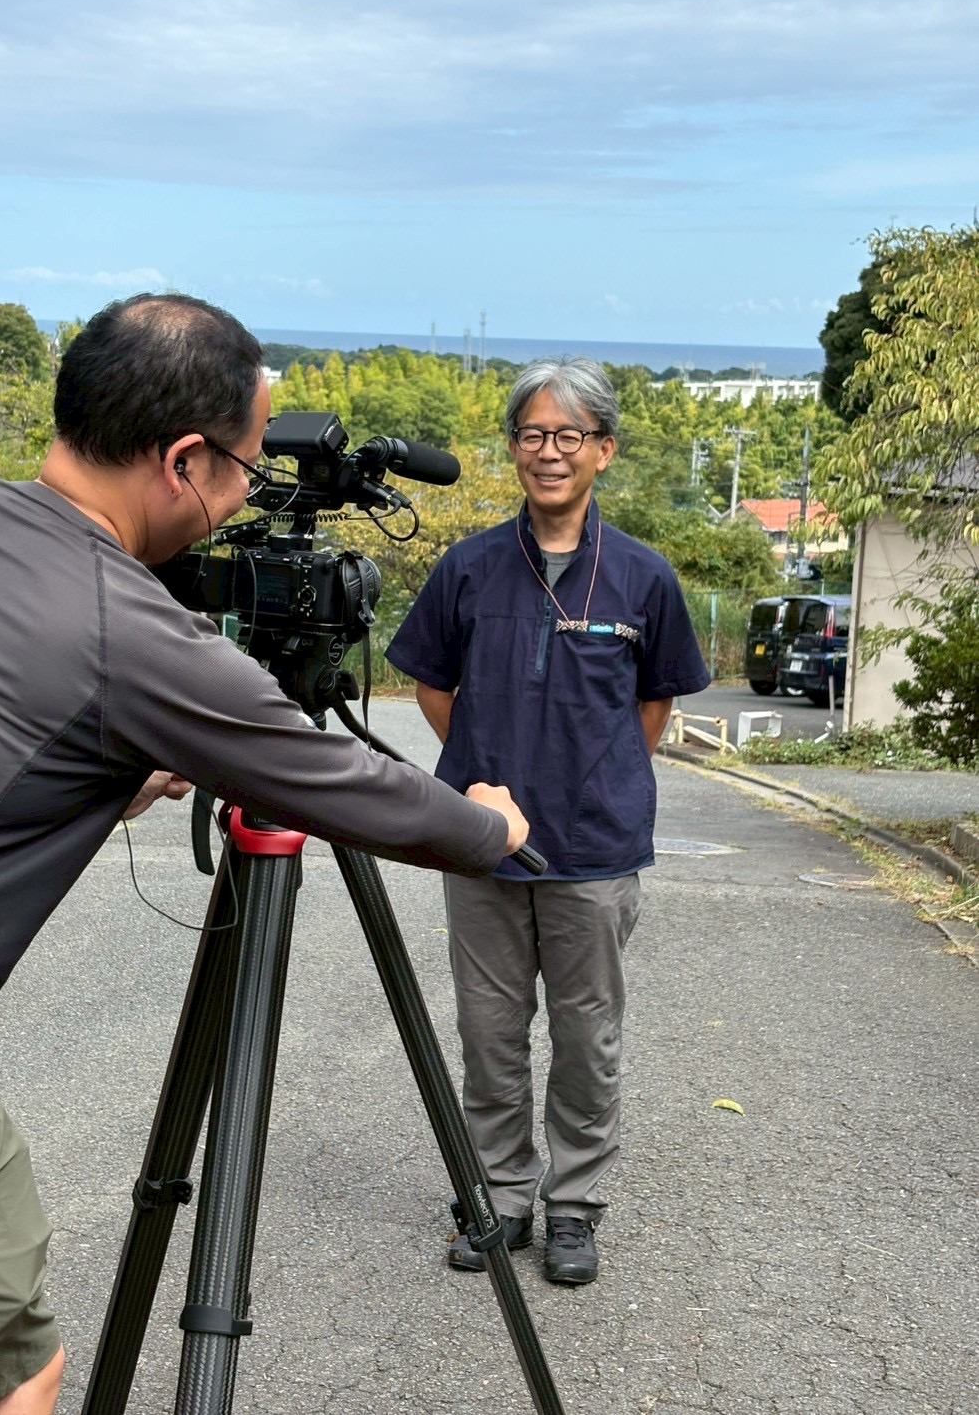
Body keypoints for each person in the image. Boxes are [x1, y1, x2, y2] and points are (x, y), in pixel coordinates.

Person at [0, 292, 529, 1415]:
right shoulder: (132, 629)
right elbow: (362, 793)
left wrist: (112, 767)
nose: (243, 499)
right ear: (182, 458)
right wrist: (491, 825)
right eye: (240, 467)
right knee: (0, 1377)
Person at [386, 358, 710, 1285]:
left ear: (603, 451)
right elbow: (432, 686)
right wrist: (491, 774)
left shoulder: (644, 578)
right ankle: (499, 1198)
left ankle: (573, 1205)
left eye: (570, 436)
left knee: (585, 1036)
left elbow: (652, 709)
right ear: (515, 450)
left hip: (595, 851)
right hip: (483, 845)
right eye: (533, 434)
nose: (550, 452)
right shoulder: (470, 567)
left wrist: (589, 775)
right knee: (488, 1033)